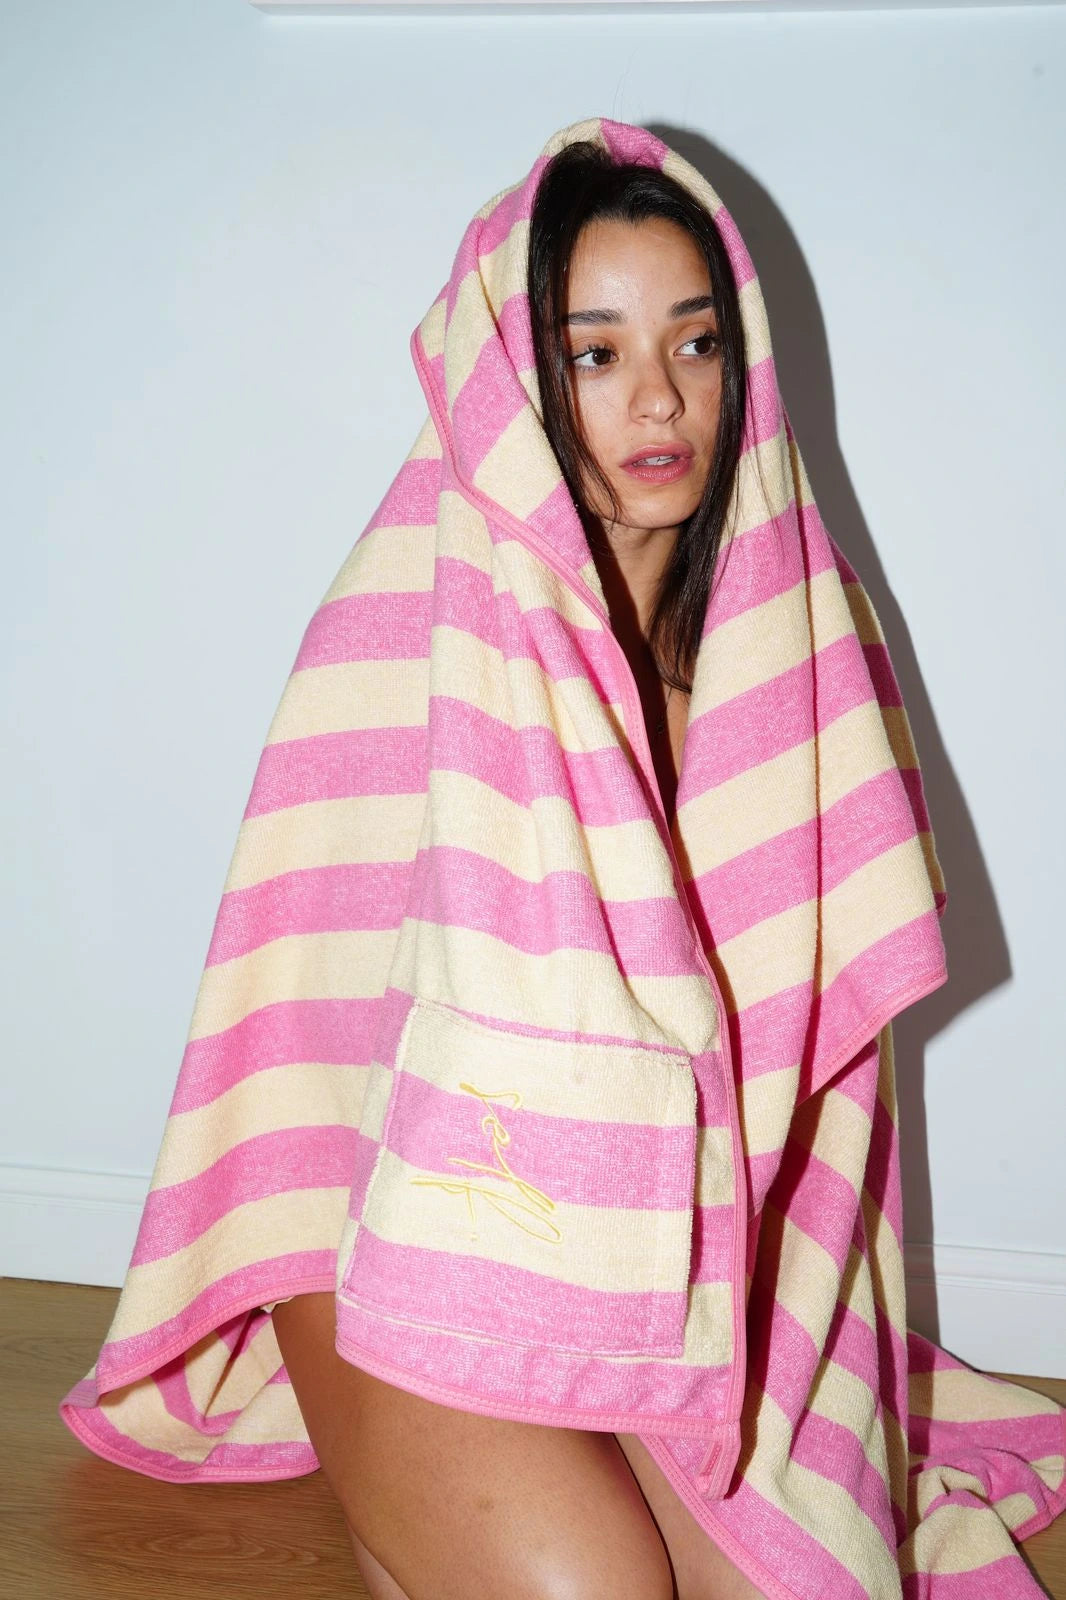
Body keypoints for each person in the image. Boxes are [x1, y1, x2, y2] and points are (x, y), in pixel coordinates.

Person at [59, 119, 1066, 1600]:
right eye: (594, 353)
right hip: (402, 1231)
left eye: (696, 342)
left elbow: (829, 1095)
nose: (659, 397)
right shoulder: (412, 638)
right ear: (516, 379)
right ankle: (412, 1490)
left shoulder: (797, 662)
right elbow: (301, 1059)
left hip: (671, 1242)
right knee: (588, 1590)